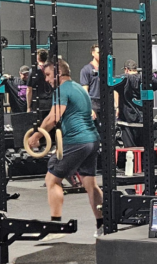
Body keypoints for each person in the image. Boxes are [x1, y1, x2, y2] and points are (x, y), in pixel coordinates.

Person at [26, 58, 103, 234]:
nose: (46, 79)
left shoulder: (62, 90)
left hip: (76, 141)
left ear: (58, 73)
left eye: (47, 75)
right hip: (92, 139)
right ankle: (102, 225)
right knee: (90, 184)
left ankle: (55, 228)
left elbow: (53, 117)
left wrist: (36, 136)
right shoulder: (79, 88)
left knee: (51, 180)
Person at [114, 59, 157, 148]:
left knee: (131, 152)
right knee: (144, 150)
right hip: (143, 119)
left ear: (126, 69)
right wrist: (152, 73)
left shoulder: (124, 79)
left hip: (127, 121)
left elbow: (110, 82)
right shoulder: (145, 78)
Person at [26, 49, 53, 115]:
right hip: (51, 101)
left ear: (37, 57)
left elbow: (29, 90)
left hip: (38, 103)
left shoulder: (33, 71)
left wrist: (28, 107)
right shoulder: (52, 69)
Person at [79, 45, 101, 120]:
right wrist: (89, 108)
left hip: (105, 102)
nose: (101, 54)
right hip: (93, 102)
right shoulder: (86, 70)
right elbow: (85, 91)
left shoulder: (107, 69)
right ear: (93, 53)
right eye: (98, 52)